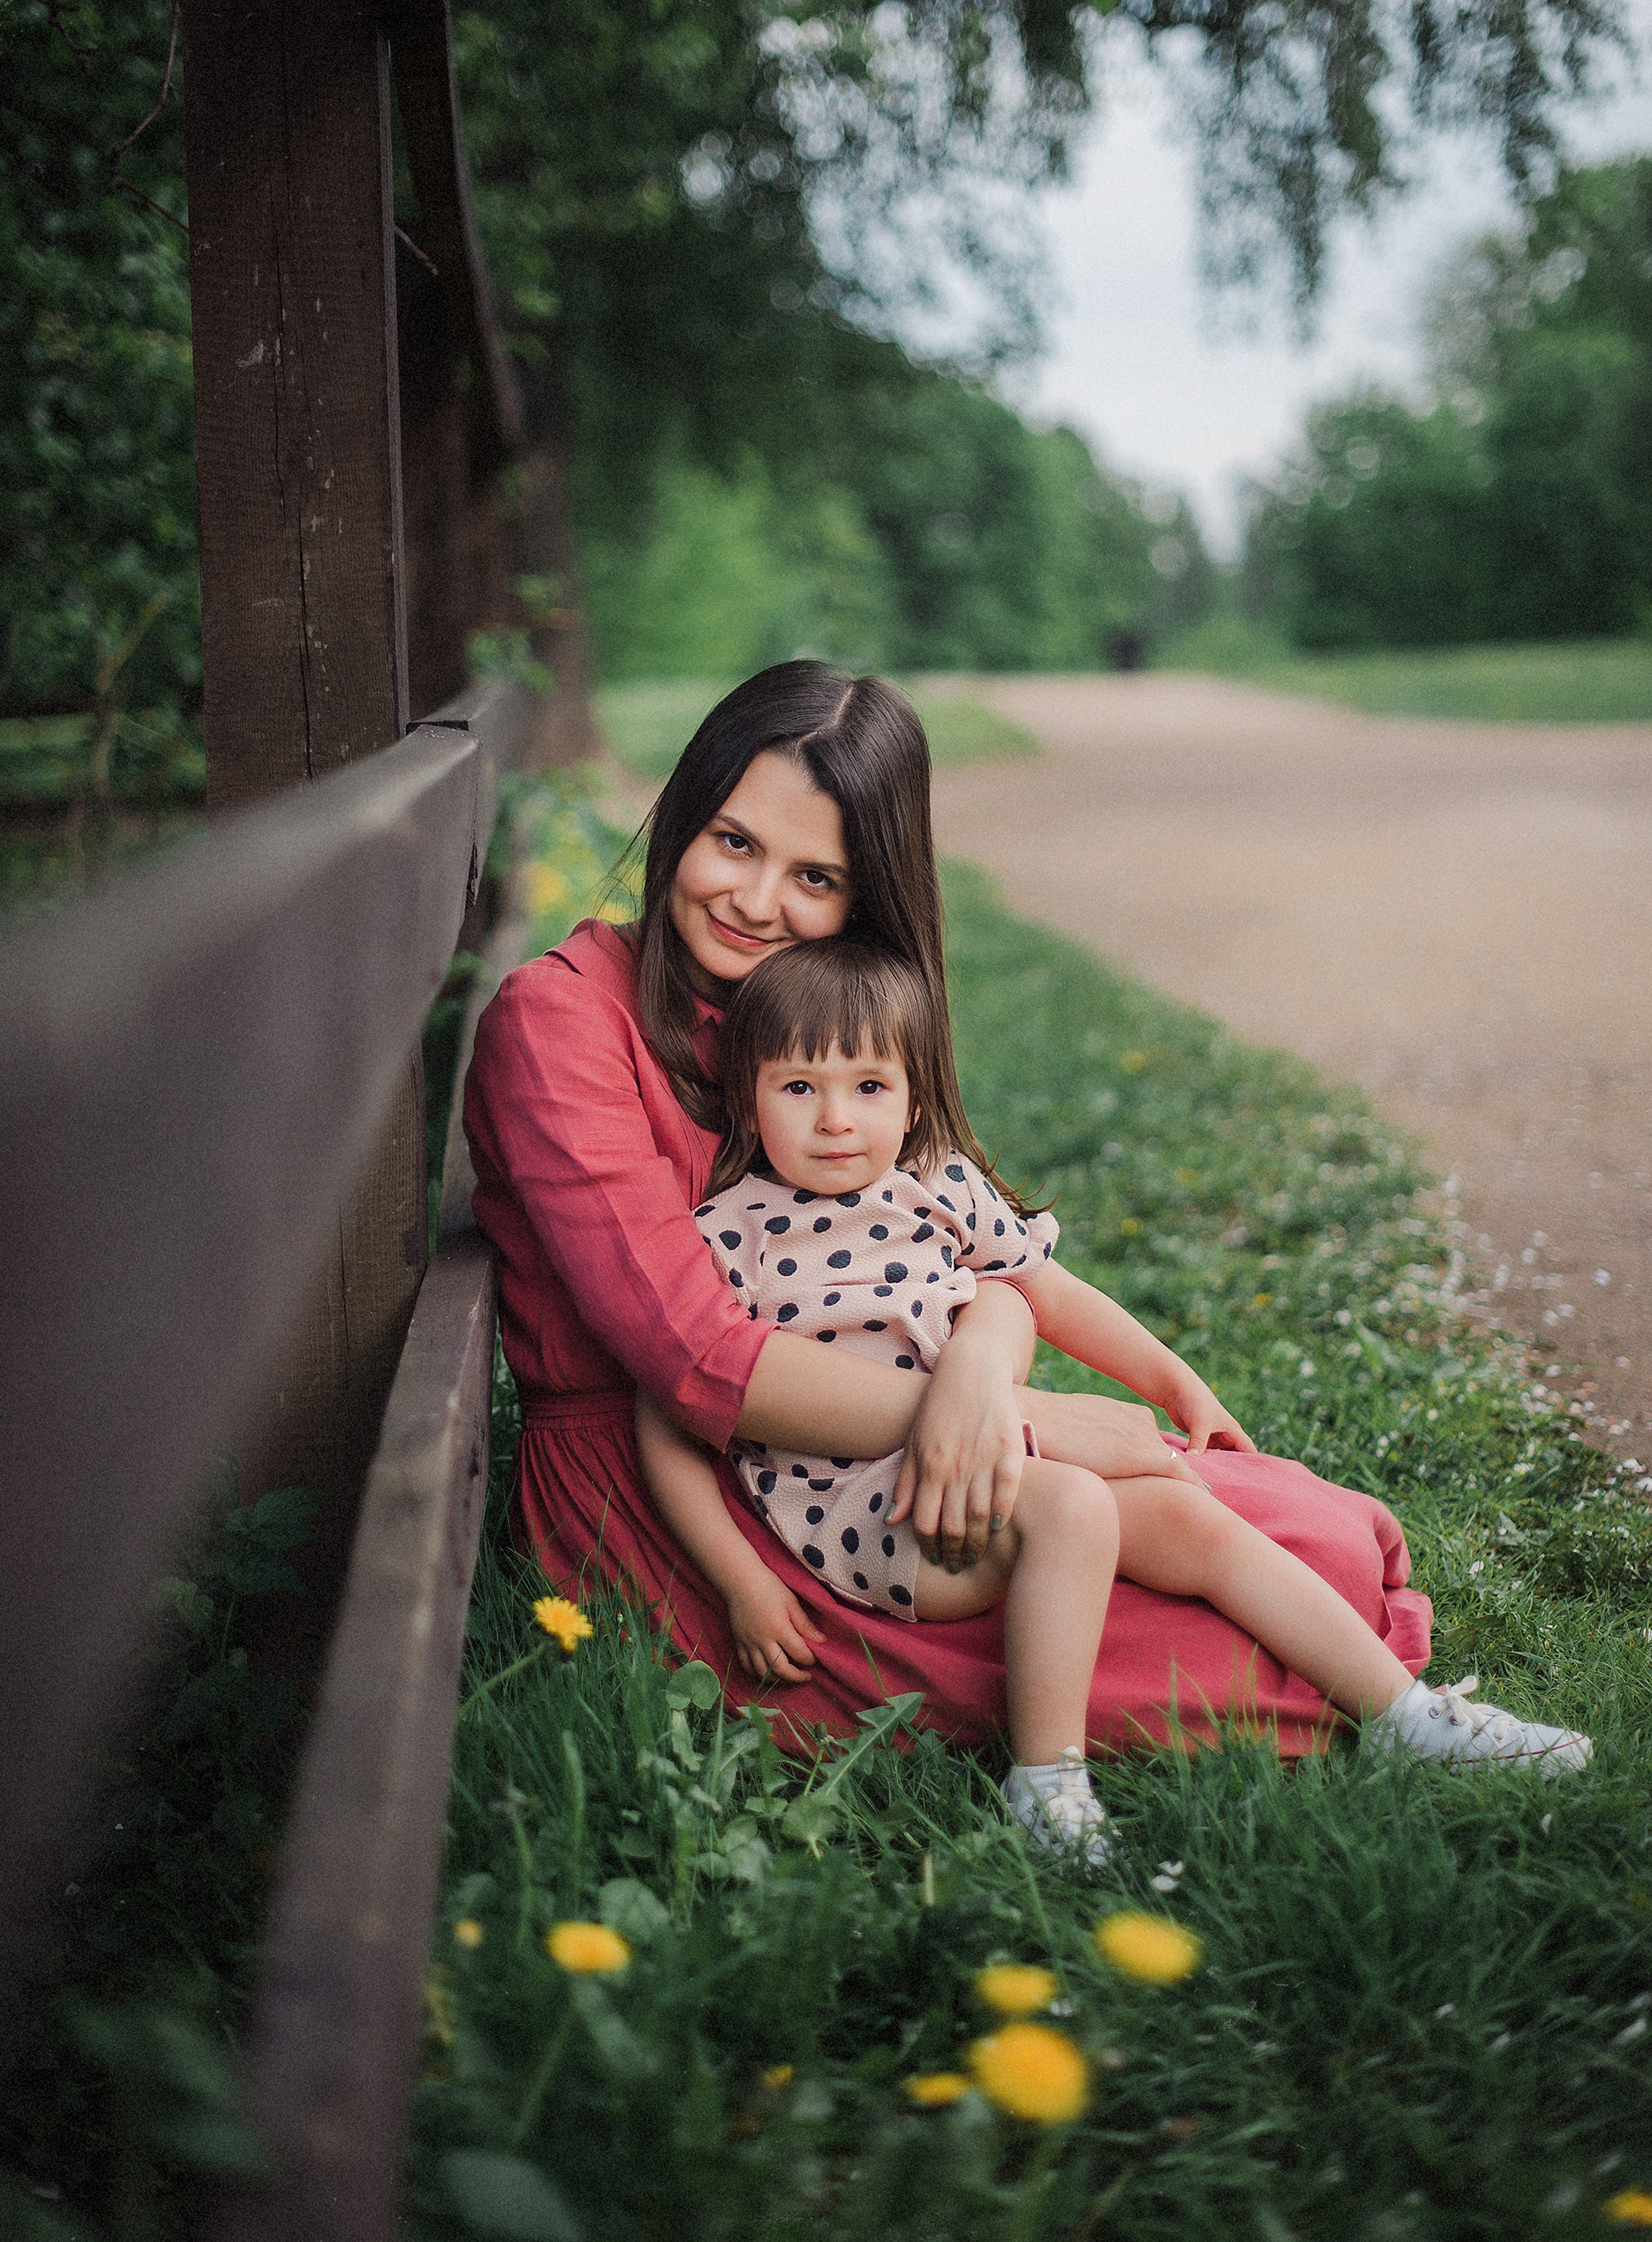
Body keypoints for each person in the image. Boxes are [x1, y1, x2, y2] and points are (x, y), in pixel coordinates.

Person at [464, 661, 1436, 1761]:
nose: (757, 900)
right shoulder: (557, 1023)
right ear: (682, 812)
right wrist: (1023, 1421)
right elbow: (690, 1362)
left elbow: (963, 1262)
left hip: (868, 1442)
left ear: (863, 900)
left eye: (814, 877)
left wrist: (982, 1372)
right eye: (734, 842)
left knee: (1308, 1542)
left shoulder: (804, 1025)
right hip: (695, 1501)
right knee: (1234, 1646)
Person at [634, 938, 1591, 1863]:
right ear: (747, 1097)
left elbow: (1051, 1294)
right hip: (868, 1514)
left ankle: (1400, 1713)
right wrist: (741, 1579)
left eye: (868, 1086)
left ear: (914, 1092)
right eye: (798, 1086)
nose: (835, 1117)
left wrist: (1177, 1381)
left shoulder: (936, 1189)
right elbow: (670, 1412)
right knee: (1075, 1503)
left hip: (987, 1452)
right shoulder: (728, 1235)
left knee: (1179, 1508)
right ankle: (1045, 1784)